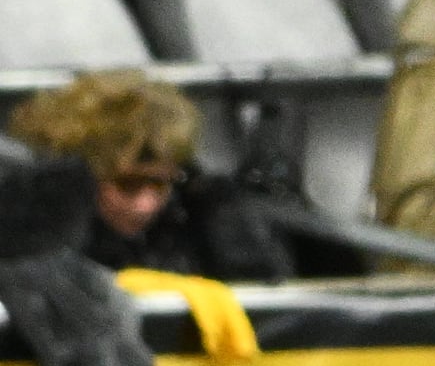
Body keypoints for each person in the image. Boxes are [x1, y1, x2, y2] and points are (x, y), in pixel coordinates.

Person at [6, 68, 290, 279]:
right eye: (127, 184)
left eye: (161, 184)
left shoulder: (193, 214)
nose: (146, 205)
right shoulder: (26, 234)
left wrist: (222, 213)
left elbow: (263, 289)